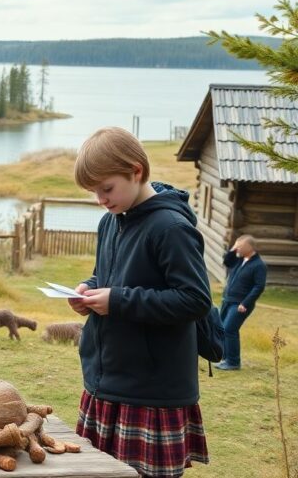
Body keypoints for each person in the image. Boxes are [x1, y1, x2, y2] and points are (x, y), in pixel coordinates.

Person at [68, 126, 211, 478]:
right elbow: (112, 276)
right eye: (93, 192)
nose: (101, 199)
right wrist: (90, 289)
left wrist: (117, 300)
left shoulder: (170, 228)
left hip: (151, 391)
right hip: (107, 380)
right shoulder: (111, 221)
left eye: (106, 188)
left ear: (136, 171)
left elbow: (195, 300)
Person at [216, 234, 267, 370]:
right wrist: (233, 249)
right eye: (236, 246)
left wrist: (245, 303)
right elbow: (226, 261)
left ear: (250, 247)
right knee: (224, 329)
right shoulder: (239, 260)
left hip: (240, 304)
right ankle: (226, 359)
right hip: (228, 300)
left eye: (240, 246)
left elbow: (259, 287)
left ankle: (233, 362)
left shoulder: (259, 265)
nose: (237, 248)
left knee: (229, 329)